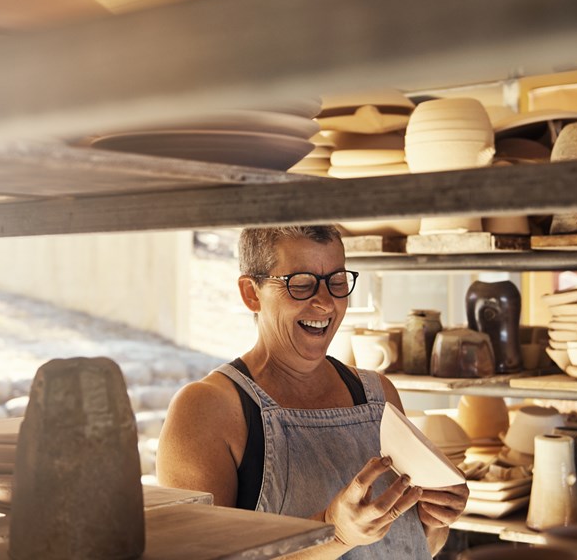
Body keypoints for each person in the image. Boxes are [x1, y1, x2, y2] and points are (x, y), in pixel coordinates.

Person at [158, 225, 468, 559]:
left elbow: (416, 547)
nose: (325, 303)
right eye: (302, 284)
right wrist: (334, 534)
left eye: (336, 282)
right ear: (251, 293)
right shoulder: (207, 410)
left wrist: (435, 522)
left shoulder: (380, 395)